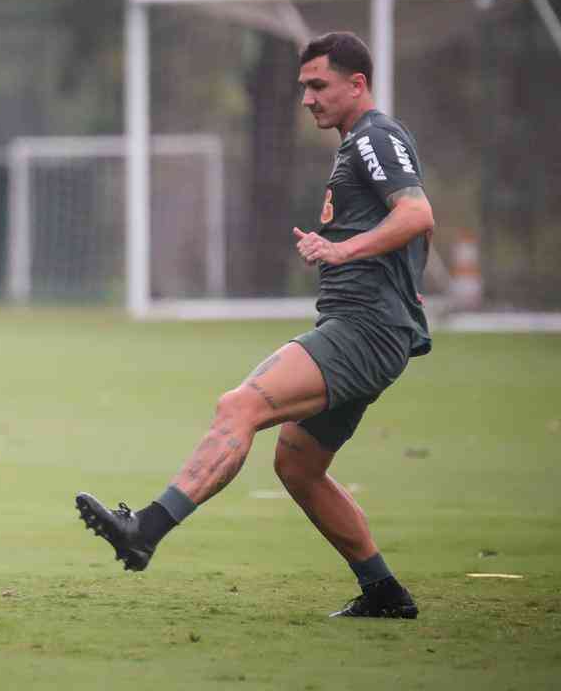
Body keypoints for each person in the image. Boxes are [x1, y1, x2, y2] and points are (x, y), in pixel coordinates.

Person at [76, 31, 434, 619]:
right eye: (302, 87)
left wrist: (347, 252)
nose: (307, 99)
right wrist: (408, 273)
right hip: (363, 325)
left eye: (318, 85)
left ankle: (144, 529)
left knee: (239, 407)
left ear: (357, 83)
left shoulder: (375, 135)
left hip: (365, 328)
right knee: (297, 465)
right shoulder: (359, 144)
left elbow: (418, 212)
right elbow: (418, 224)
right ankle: (384, 592)